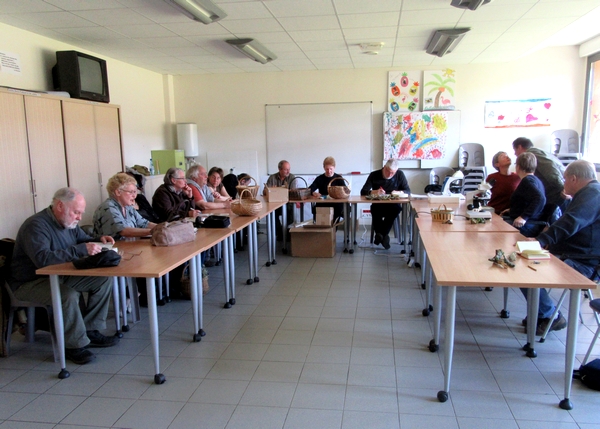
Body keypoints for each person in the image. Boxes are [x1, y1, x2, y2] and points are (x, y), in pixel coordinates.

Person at [9, 188, 118, 365]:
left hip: (58, 276)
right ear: (60, 206)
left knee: (102, 279)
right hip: (29, 282)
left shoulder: (68, 224)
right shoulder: (35, 226)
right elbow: (43, 260)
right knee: (67, 295)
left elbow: (82, 239)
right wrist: (82, 250)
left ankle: (91, 329)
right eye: (76, 212)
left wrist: (99, 239)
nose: (79, 218)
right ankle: (74, 346)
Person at [523, 160, 600, 335]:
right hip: (574, 254)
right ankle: (542, 312)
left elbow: (571, 222)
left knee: (528, 271)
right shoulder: (588, 193)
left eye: (565, 180)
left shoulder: (593, 194)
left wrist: (541, 241)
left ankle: (550, 315)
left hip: (585, 262)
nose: (563, 183)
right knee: (525, 265)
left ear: (574, 178)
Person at [360, 159, 411, 249]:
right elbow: (363, 191)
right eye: (389, 172)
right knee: (375, 210)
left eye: (393, 173)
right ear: (384, 167)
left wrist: (398, 192)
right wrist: (374, 192)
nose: (391, 175)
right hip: (378, 204)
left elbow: (408, 191)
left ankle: (380, 235)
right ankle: (384, 237)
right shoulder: (374, 175)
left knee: (396, 209)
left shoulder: (399, 174)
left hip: (393, 205)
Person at [93, 173, 157, 239]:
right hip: (113, 248)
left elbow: (145, 224)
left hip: (128, 247)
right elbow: (123, 230)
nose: (134, 195)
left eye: (135, 192)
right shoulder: (108, 207)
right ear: (118, 192)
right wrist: (154, 231)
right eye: (131, 192)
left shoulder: (128, 207)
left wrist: (163, 227)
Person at [513, 137, 568, 211]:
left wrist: (564, 188)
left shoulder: (533, 153)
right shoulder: (541, 152)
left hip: (558, 193)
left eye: (515, 150)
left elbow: (550, 169)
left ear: (519, 147)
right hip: (559, 191)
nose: (515, 154)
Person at [500, 152, 546, 237]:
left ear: (518, 167)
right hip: (530, 222)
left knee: (496, 226)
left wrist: (524, 217)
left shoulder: (527, 181)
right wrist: (512, 210)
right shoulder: (536, 180)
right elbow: (528, 201)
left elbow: (540, 198)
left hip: (527, 224)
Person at [264, 160, 296, 240]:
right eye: (285, 169)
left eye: (289, 169)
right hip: (275, 204)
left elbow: (293, 192)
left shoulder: (292, 177)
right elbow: (265, 192)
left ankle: (286, 232)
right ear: (279, 169)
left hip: (287, 204)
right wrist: (270, 190)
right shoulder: (272, 177)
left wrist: (279, 191)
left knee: (290, 212)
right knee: (271, 214)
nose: (288, 171)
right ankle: (280, 232)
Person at [309, 156, 345, 221]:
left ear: (334, 168)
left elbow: (345, 191)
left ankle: (333, 229)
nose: (329, 171)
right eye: (327, 169)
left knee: (338, 211)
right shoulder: (319, 178)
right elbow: (309, 189)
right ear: (324, 168)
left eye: (331, 169)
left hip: (336, 205)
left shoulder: (339, 178)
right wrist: (313, 192)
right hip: (323, 205)